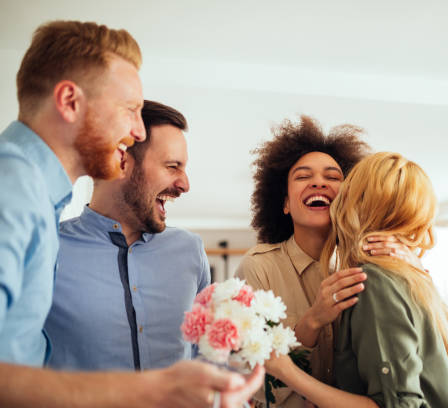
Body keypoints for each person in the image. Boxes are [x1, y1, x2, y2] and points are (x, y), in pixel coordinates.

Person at [0, 20, 262, 407]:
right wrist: (151, 391)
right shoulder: (12, 185)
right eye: (130, 109)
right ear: (70, 101)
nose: (137, 131)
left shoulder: (32, 194)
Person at [235, 116, 419, 407]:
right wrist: (313, 320)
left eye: (332, 177)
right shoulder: (259, 268)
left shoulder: (370, 266)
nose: (318, 182)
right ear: (284, 203)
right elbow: (259, 386)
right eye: (303, 176)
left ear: (348, 197)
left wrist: (411, 267)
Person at [265, 152, 448, 408]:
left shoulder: (375, 282)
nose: (322, 186)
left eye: (344, 185)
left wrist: (288, 373)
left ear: (359, 202)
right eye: (304, 176)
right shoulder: (411, 275)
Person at [45, 100, 209, 371]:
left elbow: (205, 355)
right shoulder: (49, 249)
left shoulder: (190, 250)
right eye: (172, 166)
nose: (185, 184)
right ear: (121, 161)